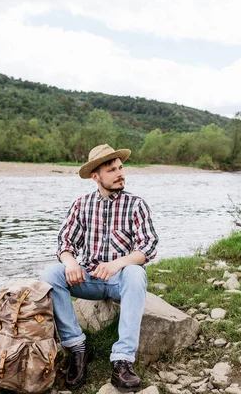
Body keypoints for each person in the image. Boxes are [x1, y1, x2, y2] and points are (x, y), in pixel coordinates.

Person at [40, 144, 159, 392]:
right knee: (51, 274)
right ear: (96, 176)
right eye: (111, 169)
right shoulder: (81, 205)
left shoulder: (136, 205)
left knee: (136, 272)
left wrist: (118, 264)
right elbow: (64, 241)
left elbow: (148, 247)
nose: (119, 173)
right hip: (89, 279)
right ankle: (77, 348)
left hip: (120, 281)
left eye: (120, 167)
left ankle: (122, 361)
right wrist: (70, 261)